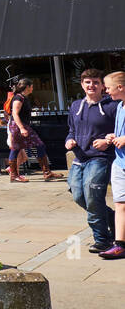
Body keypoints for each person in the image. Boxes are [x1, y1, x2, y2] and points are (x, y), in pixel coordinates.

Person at [65, 69, 117, 252]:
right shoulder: (75, 106)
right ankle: (112, 218)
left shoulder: (112, 106)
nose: (91, 86)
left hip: (100, 158)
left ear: (102, 86)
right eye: (87, 82)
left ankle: (102, 240)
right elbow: (71, 129)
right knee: (78, 195)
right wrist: (68, 140)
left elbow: (120, 131)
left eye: (95, 82)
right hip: (79, 157)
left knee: (93, 197)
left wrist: (107, 141)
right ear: (82, 84)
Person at [7, 78, 58, 182]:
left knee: (22, 147)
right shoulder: (18, 98)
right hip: (19, 126)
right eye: (32, 86)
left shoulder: (24, 98)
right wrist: (21, 128)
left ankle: (46, 172)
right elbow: (14, 114)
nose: (33, 88)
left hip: (22, 125)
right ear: (27, 87)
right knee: (20, 147)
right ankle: (15, 175)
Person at [100, 71, 125, 260]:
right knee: (120, 204)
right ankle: (120, 245)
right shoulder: (119, 107)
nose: (106, 91)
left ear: (120, 88)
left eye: (108, 88)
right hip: (119, 162)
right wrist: (113, 137)